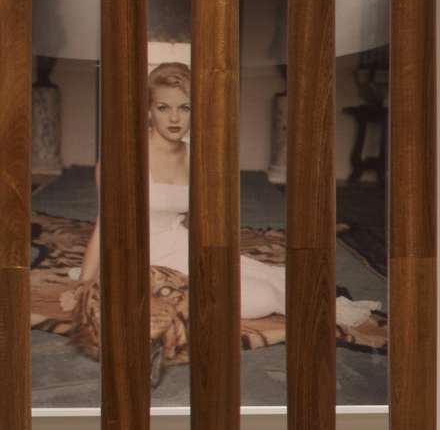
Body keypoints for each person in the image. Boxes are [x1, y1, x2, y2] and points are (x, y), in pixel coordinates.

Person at [83, 56, 382, 334]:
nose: (174, 118)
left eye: (184, 107)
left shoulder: (196, 158)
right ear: (148, 110)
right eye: (163, 107)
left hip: (180, 244)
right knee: (258, 299)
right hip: (141, 259)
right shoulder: (122, 159)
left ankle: (302, 296)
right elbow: (105, 225)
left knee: (266, 275)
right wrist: (84, 283)